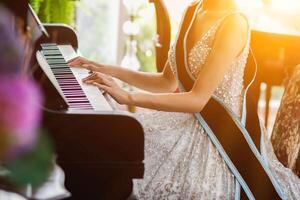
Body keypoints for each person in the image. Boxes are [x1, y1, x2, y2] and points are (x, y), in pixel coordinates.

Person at [69, 0, 300, 199]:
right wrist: (105, 69)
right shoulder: (193, 10)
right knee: (107, 152)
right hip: (186, 121)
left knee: (122, 163)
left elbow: (197, 100)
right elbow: (166, 81)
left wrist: (127, 96)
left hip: (222, 139)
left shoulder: (234, 23)